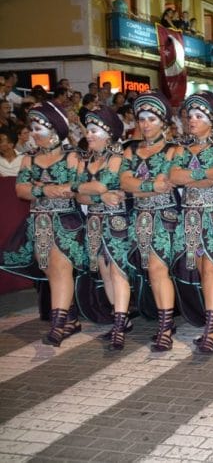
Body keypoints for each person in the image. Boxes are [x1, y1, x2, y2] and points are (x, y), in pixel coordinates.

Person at [0, 102, 86, 346]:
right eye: (33, 128)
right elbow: (21, 190)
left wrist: (42, 188)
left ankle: (57, 325)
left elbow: (77, 187)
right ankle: (70, 318)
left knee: (59, 267)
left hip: (66, 222)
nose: (34, 133)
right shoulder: (29, 159)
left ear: (54, 128)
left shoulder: (71, 156)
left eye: (39, 128)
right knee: (49, 268)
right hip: (39, 222)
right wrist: (48, 189)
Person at [169, 92, 213, 354]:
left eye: (198, 116)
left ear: (212, 120)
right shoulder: (181, 148)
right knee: (199, 271)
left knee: (210, 270)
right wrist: (203, 173)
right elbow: (174, 177)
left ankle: (211, 327)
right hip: (191, 216)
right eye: (190, 116)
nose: (191, 120)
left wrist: (191, 176)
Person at [120, 91, 179, 352]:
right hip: (139, 217)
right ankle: (164, 319)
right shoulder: (130, 150)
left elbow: (168, 182)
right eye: (141, 119)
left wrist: (140, 187)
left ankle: (165, 327)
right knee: (147, 271)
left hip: (166, 217)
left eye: (151, 119)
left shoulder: (173, 150)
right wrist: (150, 186)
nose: (145, 124)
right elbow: (124, 183)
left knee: (157, 269)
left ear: (163, 122)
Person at [75, 107, 133, 350]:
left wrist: (92, 190)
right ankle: (121, 318)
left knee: (118, 271)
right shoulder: (85, 160)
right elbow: (79, 194)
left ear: (108, 134)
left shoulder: (118, 157)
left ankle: (119, 324)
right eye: (87, 130)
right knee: (105, 272)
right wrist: (99, 194)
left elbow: (102, 185)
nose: (88, 135)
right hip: (94, 222)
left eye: (94, 131)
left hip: (117, 221)